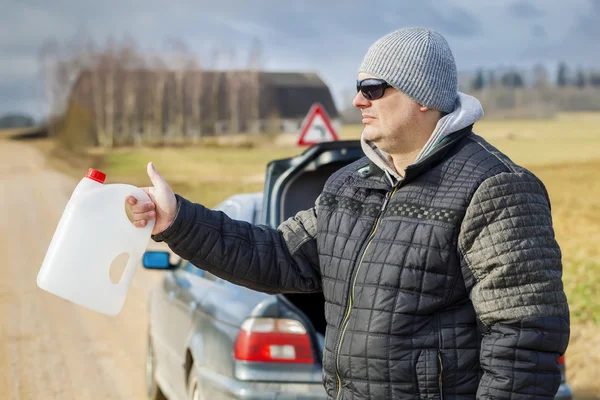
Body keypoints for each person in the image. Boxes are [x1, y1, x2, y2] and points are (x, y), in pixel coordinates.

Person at [128, 27, 570, 399]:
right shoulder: (350, 183)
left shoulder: (496, 188)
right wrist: (177, 221)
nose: (358, 100)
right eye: (359, 87)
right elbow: (279, 254)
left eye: (374, 88)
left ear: (423, 97)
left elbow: (523, 340)